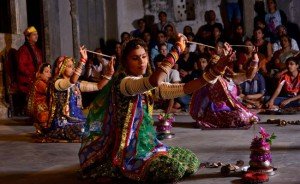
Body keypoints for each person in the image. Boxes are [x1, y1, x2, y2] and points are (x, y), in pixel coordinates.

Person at [79, 34, 233, 182]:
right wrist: (177, 49)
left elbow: (185, 88)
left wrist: (219, 68)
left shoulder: (146, 83)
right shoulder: (125, 83)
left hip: (147, 144)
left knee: (190, 158)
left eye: (144, 56)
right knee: (172, 168)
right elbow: (155, 80)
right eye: (135, 58)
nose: (141, 62)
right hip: (126, 152)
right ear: (125, 62)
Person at [36, 47, 115, 142]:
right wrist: (82, 61)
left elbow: (98, 86)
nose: (73, 68)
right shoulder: (57, 83)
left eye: (73, 66)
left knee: (102, 125)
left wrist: (109, 73)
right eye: (69, 66)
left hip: (78, 121)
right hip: (63, 123)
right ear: (62, 67)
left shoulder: (76, 84)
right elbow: (71, 81)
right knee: (85, 130)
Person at [190, 47, 260, 129]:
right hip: (215, 111)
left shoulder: (229, 78)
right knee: (239, 117)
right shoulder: (210, 79)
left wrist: (255, 58)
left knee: (243, 115)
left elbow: (249, 75)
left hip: (230, 109)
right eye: (214, 65)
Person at [16, 26, 43, 115]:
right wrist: (34, 75)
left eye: (37, 34)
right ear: (28, 37)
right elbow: (21, 67)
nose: (37, 36)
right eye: (34, 35)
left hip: (36, 77)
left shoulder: (37, 50)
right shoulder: (23, 50)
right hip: (26, 79)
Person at [27, 63, 52, 131]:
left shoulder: (40, 82)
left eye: (50, 72)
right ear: (40, 73)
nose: (49, 74)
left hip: (39, 107)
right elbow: (50, 92)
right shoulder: (40, 83)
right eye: (46, 72)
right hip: (40, 109)